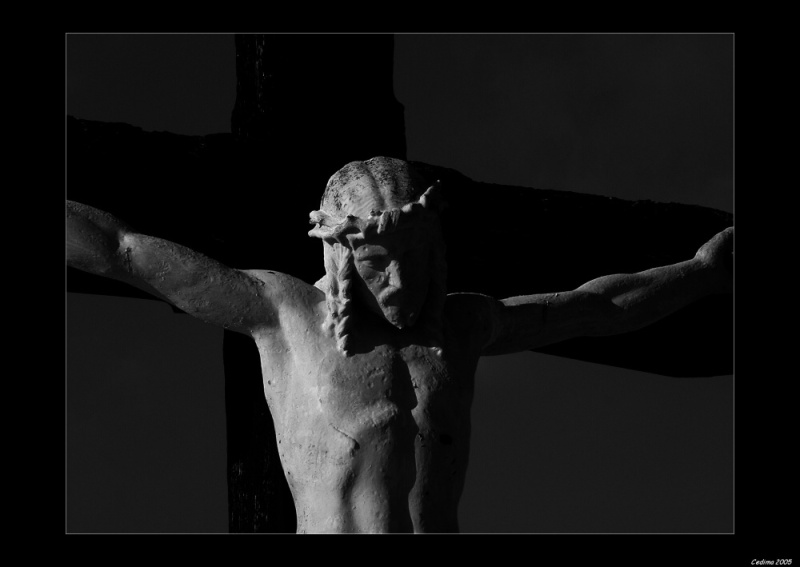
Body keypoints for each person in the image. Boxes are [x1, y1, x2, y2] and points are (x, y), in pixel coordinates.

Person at [66, 156, 733, 533]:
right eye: (377, 263)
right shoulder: (285, 312)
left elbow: (595, 308)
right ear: (341, 258)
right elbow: (124, 252)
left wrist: (704, 271)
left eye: (414, 258)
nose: (400, 280)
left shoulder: (461, 327)